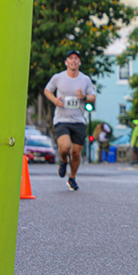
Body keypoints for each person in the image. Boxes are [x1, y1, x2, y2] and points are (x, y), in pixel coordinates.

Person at [43, 50, 96, 191]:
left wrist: (83, 97)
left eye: (76, 59)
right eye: (71, 58)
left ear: (79, 62)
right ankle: (63, 160)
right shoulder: (58, 77)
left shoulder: (85, 80)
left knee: (76, 153)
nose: (74, 61)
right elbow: (47, 90)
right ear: (66, 62)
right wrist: (54, 100)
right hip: (62, 119)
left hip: (78, 120)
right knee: (65, 147)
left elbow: (93, 97)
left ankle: (72, 178)